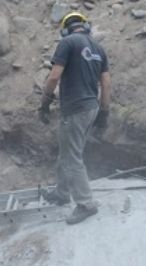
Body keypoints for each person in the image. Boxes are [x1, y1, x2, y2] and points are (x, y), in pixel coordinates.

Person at [39, 11, 111, 225]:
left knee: (72, 157)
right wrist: (104, 113)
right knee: (67, 151)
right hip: (91, 107)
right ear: (85, 26)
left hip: (75, 108)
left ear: (65, 29)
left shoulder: (67, 42)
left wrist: (44, 103)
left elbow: (53, 77)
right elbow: (106, 84)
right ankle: (62, 193)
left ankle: (86, 204)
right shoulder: (99, 49)